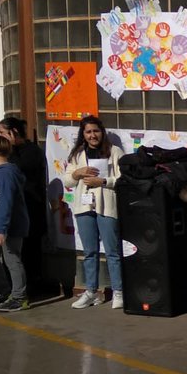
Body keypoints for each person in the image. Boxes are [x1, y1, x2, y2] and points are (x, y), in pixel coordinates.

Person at [66, 116, 124, 310]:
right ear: (83, 134)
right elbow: (67, 181)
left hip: (106, 206)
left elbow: (124, 179)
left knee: (112, 251)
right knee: (89, 252)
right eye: (88, 132)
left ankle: (118, 291)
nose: (93, 135)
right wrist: (77, 173)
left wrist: (104, 182)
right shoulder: (77, 155)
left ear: (102, 132)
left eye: (96, 131)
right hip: (84, 208)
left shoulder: (114, 152)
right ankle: (91, 291)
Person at [0, 116, 49, 294]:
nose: (0, 137)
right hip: (16, 209)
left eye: (2, 133)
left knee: (30, 250)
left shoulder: (31, 151)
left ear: (14, 133)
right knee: (14, 252)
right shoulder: (10, 154)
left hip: (31, 207)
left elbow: (19, 169)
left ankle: (31, 286)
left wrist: (10, 150)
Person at [0, 135, 30, 313]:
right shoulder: (0, 171)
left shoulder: (6, 173)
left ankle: (19, 297)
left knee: (12, 259)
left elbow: (5, 202)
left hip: (9, 226)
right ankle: (6, 291)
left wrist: (1, 229)